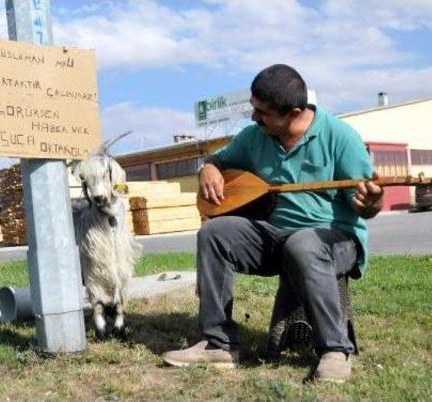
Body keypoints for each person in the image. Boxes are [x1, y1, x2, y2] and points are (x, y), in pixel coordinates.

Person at [163, 64, 383, 382]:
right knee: (214, 233)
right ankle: (218, 345)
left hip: (335, 240)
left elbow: (365, 204)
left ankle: (335, 352)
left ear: (293, 113)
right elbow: (219, 159)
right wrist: (208, 168)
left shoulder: (340, 137)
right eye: (253, 109)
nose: (254, 118)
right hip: (274, 236)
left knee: (303, 243)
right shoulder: (255, 137)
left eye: (262, 113)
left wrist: (371, 204)